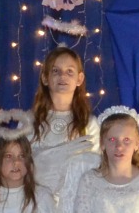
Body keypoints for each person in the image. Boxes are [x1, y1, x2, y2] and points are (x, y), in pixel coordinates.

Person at [28, 45, 100, 192]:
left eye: (69, 71)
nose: (62, 76)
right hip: (39, 198)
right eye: (55, 71)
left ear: (79, 79)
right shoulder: (29, 121)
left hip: (75, 199)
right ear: (45, 78)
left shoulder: (88, 123)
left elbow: (96, 167)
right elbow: (21, 164)